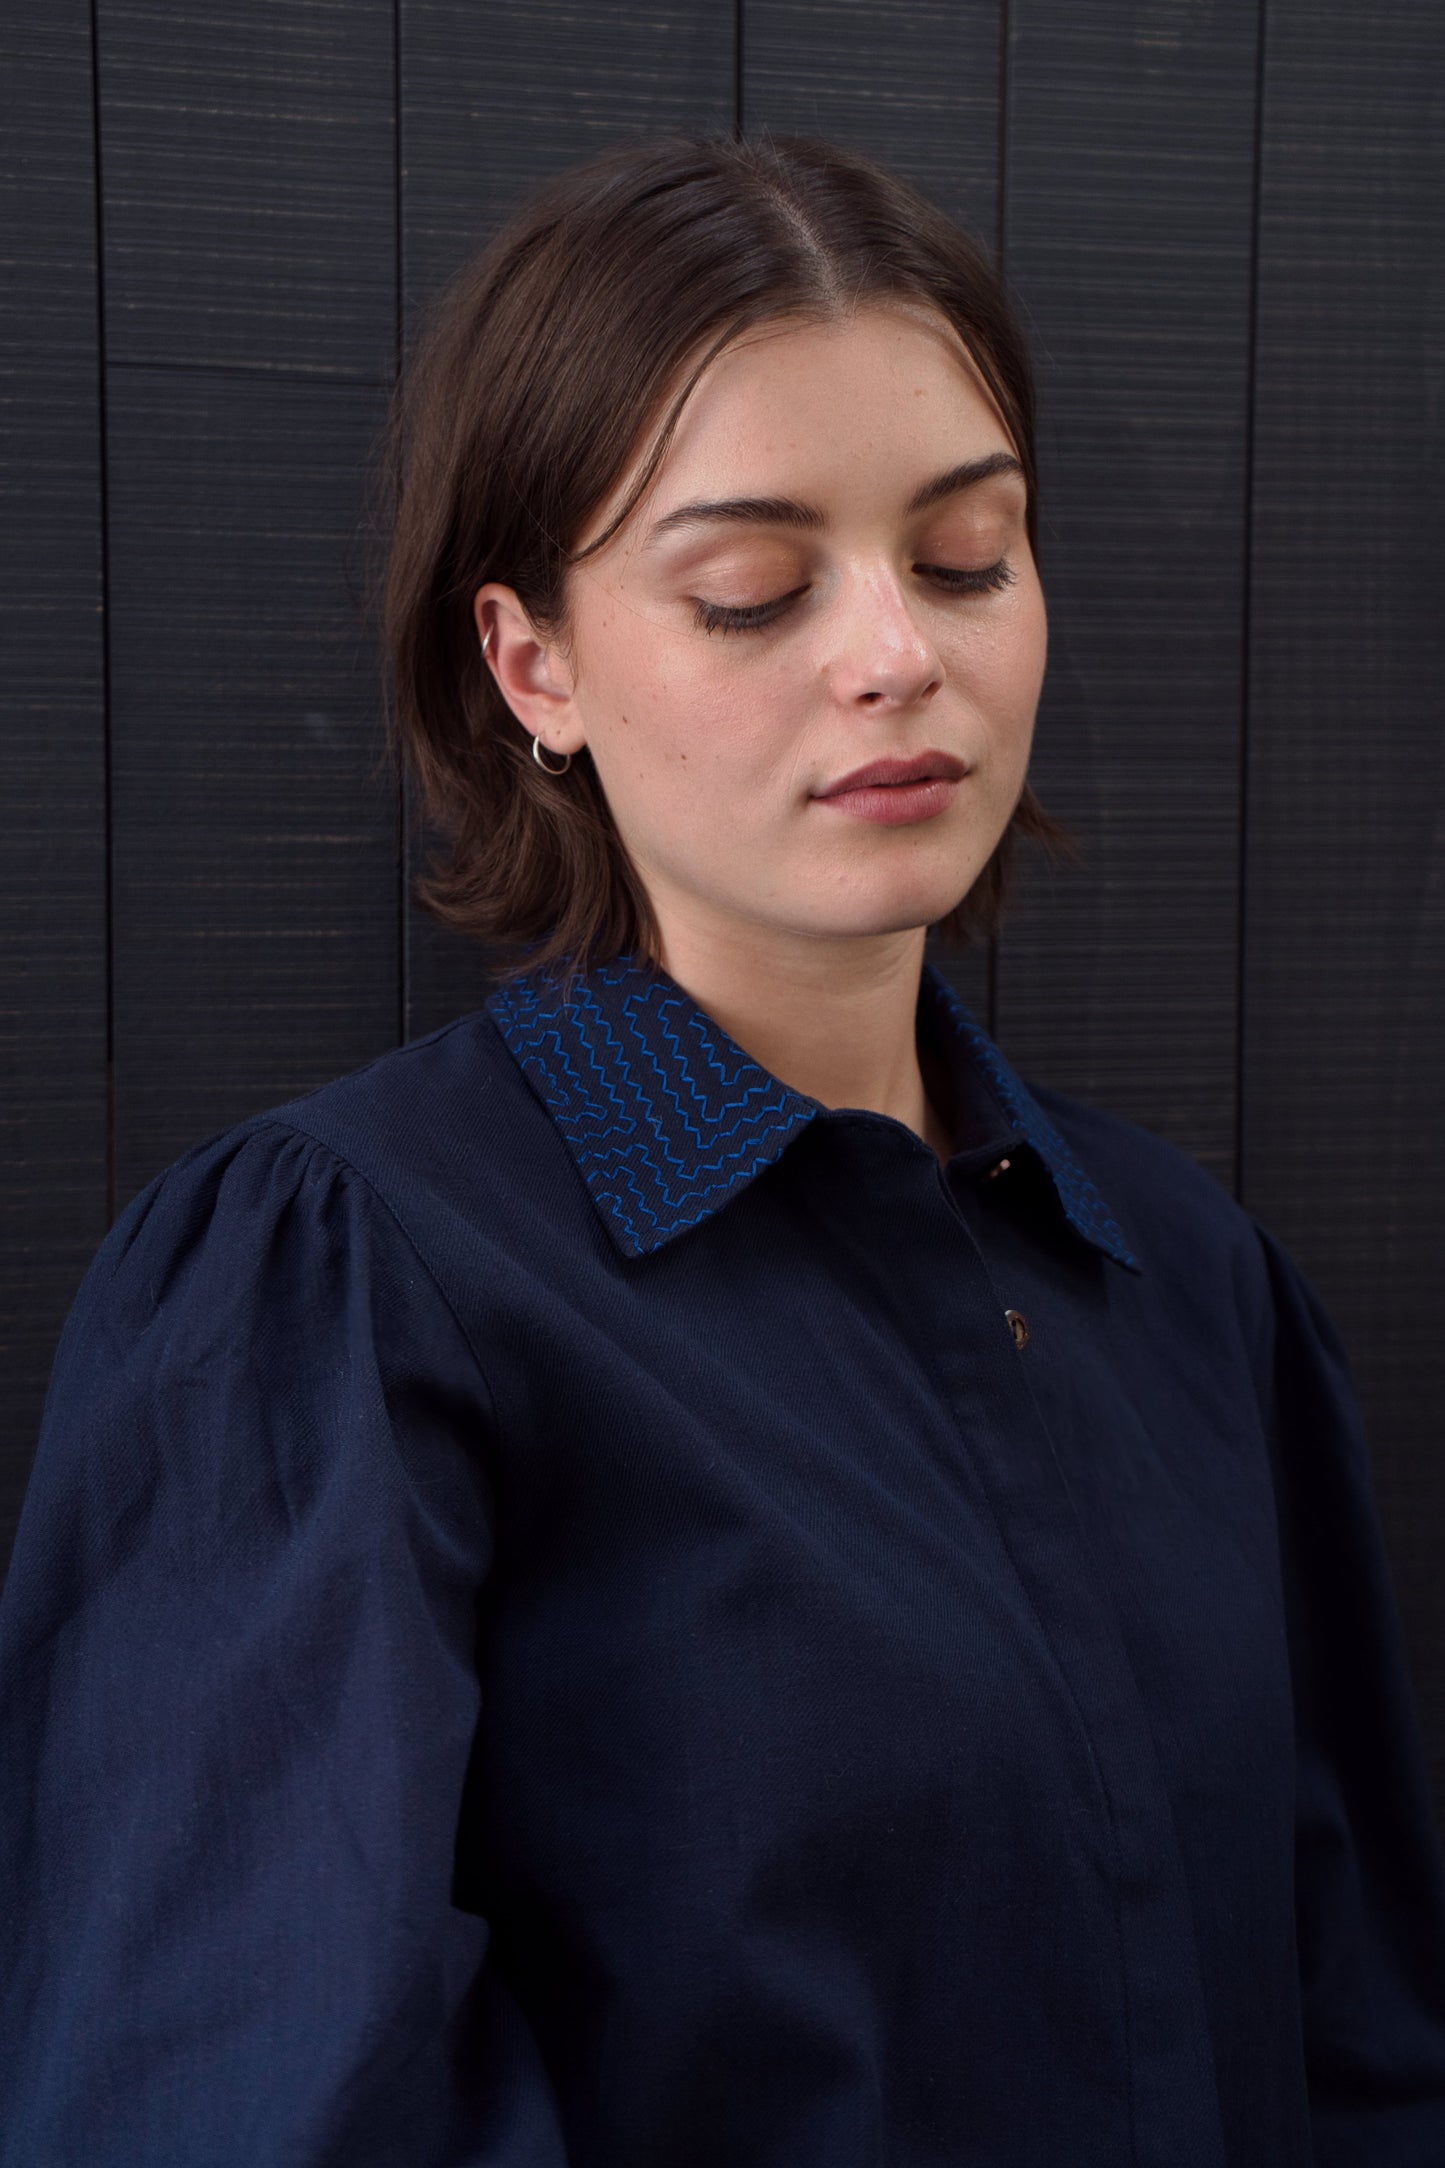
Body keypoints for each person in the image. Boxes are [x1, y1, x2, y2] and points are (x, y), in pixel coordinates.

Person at [2, 130, 1443, 2168]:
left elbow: (1359, 2041)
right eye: (752, 588)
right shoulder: (345, 1293)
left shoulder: (1195, 1285)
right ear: (535, 664)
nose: (896, 655)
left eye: (967, 556)